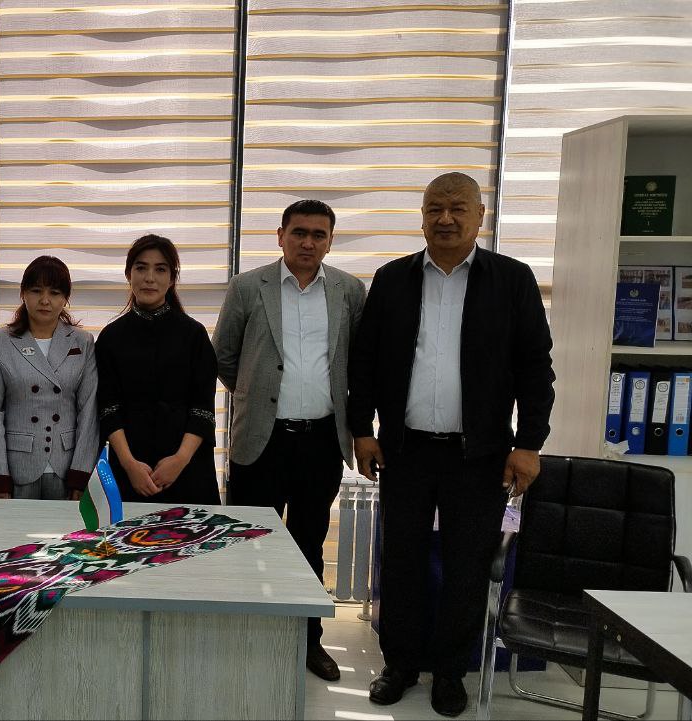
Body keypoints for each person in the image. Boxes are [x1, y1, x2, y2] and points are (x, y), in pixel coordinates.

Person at [347, 173, 554, 717]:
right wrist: (362, 430)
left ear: (479, 216)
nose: (445, 219)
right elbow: (364, 362)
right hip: (405, 450)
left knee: (468, 565)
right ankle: (400, 664)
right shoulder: (392, 279)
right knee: (401, 560)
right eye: (434, 208)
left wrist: (529, 443)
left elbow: (536, 369)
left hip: (480, 455)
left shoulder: (512, 279)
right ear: (421, 217)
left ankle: (449, 672)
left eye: (457, 208)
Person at [212, 199, 366, 682]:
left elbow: (359, 363)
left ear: (330, 241)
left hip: (321, 441)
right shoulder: (247, 287)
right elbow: (224, 357)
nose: (308, 242)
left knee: (309, 544)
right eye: (299, 232)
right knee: (249, 543)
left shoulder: (349, 291)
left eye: (319, 234)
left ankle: (307, 641)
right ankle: (248, 640)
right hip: (262, 439)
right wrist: (258, 396)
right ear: (280, 236)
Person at [94, 234, 219, 506]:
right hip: (130, 471)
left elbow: (203, 409)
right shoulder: (111, 337)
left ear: (172, 279)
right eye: (141, 268)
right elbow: (108, 409)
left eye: (160, 269)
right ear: (128, 274)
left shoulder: (194, 335)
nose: (149, 278)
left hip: (188, 469)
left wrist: (179, 460)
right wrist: (129, 465)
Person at [0, 256, 99, 500]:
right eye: (36, 291)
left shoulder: (82, 341)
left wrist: (81, 474)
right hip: (17, 465)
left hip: (66, 464)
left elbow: (89, 412)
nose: (45, 300)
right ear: (23, 293)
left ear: (65, 298)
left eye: (54, 293)